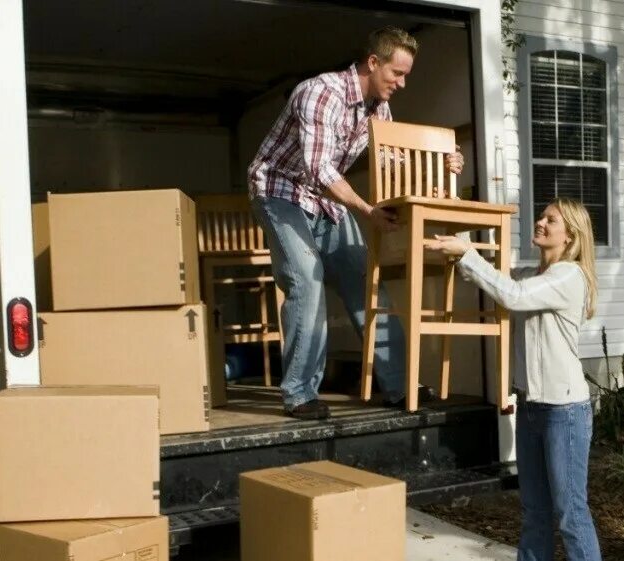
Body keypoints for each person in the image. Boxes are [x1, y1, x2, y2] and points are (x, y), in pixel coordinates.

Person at [247, 26, 463, 420]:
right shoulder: (319, 92)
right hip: (280, 192)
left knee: (368, 282)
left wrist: (442, 168)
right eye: (396, 73)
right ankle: (299, 394)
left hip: (323, 201)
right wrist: (366, 211)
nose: (401, 83)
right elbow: (318, 169)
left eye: (406, 76)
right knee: (306, 279)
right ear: (373, 62)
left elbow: (391, 160)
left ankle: (399, 386)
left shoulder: (378, 109)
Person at [425, 197, 603, 561]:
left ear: (569, 236)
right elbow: (499, 281)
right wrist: (460, 242)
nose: (540, 222)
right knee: (534, 511)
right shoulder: (531, 274)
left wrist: (468, 253)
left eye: (550, 220)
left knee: (570, 513)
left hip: (564, 411)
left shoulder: (568, 276)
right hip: (532, 406)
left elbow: (513, 296)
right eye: (541, 217)